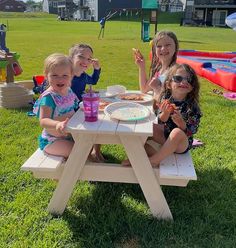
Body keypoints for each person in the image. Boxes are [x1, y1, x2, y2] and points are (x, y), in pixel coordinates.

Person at [123, 63, 202, 167]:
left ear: (192, 87)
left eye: (189, 80)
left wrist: (181, 123)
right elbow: (160, 121)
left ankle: (153, 161)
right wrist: (164, 114)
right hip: (165, 136)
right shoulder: (165, 99)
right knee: (148, 127)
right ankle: (146, 154)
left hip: (181, 143)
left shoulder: (192, 106)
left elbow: (191, 131)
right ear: (169, 84)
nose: (184, 82)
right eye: (178, 78)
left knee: (177, 132)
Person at [33, 53, 79, 158]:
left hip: (70, 135)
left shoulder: (68, 90)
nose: (60, 79)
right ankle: (74, 172)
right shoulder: (49, 97)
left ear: (71, 75)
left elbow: (73, 109)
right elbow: (43, 120)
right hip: (53, 140)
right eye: (54, 75)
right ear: (46, 75)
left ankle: (94, 158)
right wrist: (57, 124)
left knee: (87, 145)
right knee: (78, 152)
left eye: (65, 75)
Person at [69, 43, 104, 162]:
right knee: (92, 127)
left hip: (82, 109)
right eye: (81, 57)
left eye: (89, 59)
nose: (85, 61)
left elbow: (93, 81)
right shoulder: (66, 76)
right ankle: (87, 155)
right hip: (70, 113)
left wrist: (97, 69)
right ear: (71, 58)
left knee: (99, 121)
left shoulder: (83, 75)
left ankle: (96, 151)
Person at [133, 30, 179, 96]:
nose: (163, 49)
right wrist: (142, 67)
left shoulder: (177, 72)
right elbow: (144, 89)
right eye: (159, 46)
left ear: (175, 47)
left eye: (168, 45)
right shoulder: (158, 70)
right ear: (155, 50)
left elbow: (174, 101)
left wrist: (157, 88)